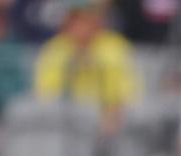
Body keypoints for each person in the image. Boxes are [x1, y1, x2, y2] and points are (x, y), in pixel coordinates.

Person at [33, 0, 140, 133]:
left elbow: (129, 93)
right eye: (77, 18)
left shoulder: (116, 47)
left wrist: (112, 112)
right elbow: (46, 96)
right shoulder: (54, 50)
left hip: (110, 126)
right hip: (65, 127)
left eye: (88, 17)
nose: (82, 24)